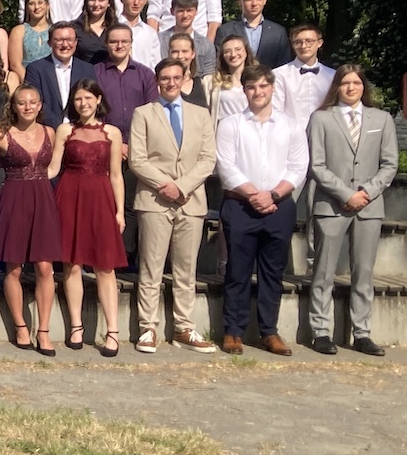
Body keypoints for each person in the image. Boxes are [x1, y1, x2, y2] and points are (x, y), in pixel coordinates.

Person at [127, 59, 218, 354]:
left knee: (185, 269)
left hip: (191, 201)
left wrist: (181, 186)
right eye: (164, 78)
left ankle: (184, 326)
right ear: (157, 80)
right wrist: (165, 185)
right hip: (154, 200)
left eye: (175, 77)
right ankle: (148, 327)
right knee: (151, 267)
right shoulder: (144, 113)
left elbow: (208, 159)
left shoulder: (200, 114)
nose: (170, 82)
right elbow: (138, 159)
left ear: (185, 78)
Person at [216, 64, 307, 356]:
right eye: (251, 87)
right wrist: (254, 194)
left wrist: (274, 194)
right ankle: (233, 331)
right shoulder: (231, 124)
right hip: (241, 206)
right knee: (237, 271)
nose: (258, 92)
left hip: (279, 207)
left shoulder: (291, 125)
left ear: (272, 88)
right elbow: (226, 165)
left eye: (263, 86)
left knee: (272, 272)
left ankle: (269, 331)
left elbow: (298, 167)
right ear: (244, 91)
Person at [306, 66, 397, 356]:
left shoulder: (381, 119)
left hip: (369, 207)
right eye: (345, 82)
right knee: (323, 271)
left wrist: (366, 193)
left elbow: (390, 164)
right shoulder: (321, 118)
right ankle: (320, 331)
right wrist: (346, 194)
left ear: (363, 86)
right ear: (337, 86)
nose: (351, 87)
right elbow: (317, 165)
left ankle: (362, 333)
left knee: (364, 272)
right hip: (332, 205)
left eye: (356, 82)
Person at [53, 80, 128, 356]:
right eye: (77, 99)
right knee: (71, 265)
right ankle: (76, 326)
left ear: (98, 99)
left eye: (87, 98)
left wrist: (120, 211)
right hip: (69, 196)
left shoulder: (112, 133)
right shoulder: (65, 130)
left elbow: (117, 175)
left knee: (105, 267)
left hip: (101, 198)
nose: (82, 103)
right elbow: (53, 168)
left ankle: (112, 331)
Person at [0, 85, 62, 357]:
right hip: (14, 198)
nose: (28, 107)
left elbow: (54, 166)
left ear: (40, 104)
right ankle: (21, 325)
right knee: (14, 267)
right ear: (14, 106)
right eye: (22, 103)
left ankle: (43, 330)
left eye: (33, 102)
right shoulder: (0, 135)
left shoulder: (50, 133)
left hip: (43, 197)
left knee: (45, 267)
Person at [94, 24, 157, 134]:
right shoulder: (94, 73)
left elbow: (152, 111)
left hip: (139, 139)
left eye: (125, 41)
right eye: (114, 42)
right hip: (105, 140)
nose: (119, 46)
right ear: (106, 44)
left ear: (131, 43)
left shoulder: (146, 75)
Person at [273, 23, 334, 131]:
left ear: (319, 43)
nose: (304, 46)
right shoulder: (278, 75)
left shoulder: (332, 75)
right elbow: (276, 110)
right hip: (291, 134)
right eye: (298, 42)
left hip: (325, 133)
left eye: (309, 41)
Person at [216, 0, 289, 68]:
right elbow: (219, 63)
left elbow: (284, 66)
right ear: (239, 1)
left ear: (265, 0)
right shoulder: (225, 31)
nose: (254, 3)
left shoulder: (278, 32)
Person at [22, 22, 82, 126]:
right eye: (59, 40)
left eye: (69, 39)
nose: (65, 45)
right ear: (49, 42)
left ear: (76, 42)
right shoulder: (35, 69)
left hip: (80, 131)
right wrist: (59, 128)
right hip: (48, 130)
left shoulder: (87, 69)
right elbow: (36, 102)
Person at [160, 0, 217, 77]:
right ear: (172, 11)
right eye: (180, 11)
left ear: (196, 11)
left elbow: (208, 76)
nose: (185, 15)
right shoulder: (159, 41)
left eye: (189, 10)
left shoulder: (206, 45)